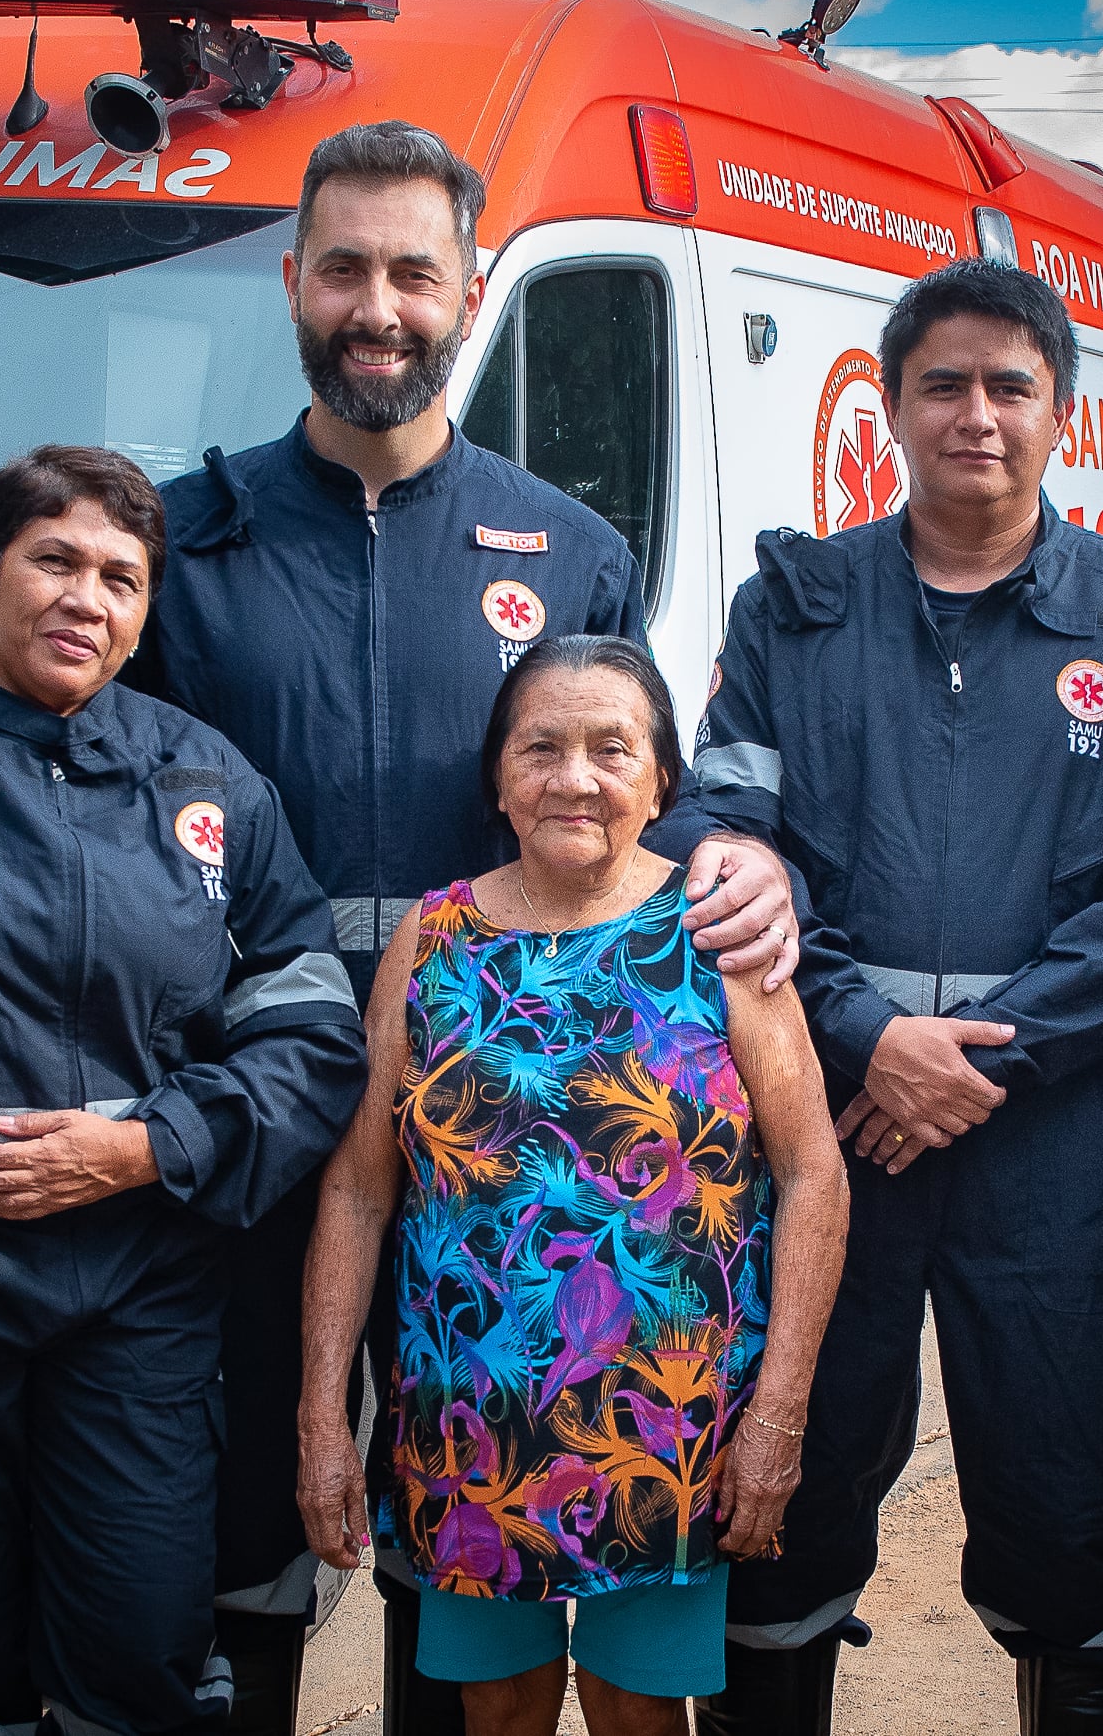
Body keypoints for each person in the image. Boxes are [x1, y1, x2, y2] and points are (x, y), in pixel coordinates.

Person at [0, 121, 797, 1733]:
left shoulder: (571, 546)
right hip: (237, 1130)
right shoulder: (186, 541)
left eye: (416, 271)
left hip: (498, 1132)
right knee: (248, 1520)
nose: (379, 305)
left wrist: (742, 856)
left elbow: (613, 792)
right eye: (345, 267)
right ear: (292, 284)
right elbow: (47, 755)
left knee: (456, 1518)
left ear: (471, 292)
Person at [689, 258, 1103, 1735]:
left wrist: (984, 1062)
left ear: (1059, 414)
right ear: (892, 404)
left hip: (1050, 1140)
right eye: (944, 384)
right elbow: (726, 845)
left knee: (1066, 1503)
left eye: (1010, 387)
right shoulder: (796, 607)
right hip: (830, 1126)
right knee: (781, 1504)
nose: (975, 414)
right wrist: (866, 1034)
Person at [0, 446, 367, 1736]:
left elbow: (313, 1025)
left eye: (121, 577)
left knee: (136, 1651)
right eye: (53, 560)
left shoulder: (206, 781)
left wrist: (148, 1145)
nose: (85, 600)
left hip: (136, 1291)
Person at [294, 636, 850, 1736]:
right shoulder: (432, 936)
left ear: (661, 783)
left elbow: (812, 1171)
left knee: (637, 1715)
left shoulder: (713, 935)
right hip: (473, 1424)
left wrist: (777, 1413)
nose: (575, 777)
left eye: (612, 748)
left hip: (665, 1431)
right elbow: (358, 1189)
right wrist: (322, 1415)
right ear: (498, 778)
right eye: (539, 747)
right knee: (493, 1715)